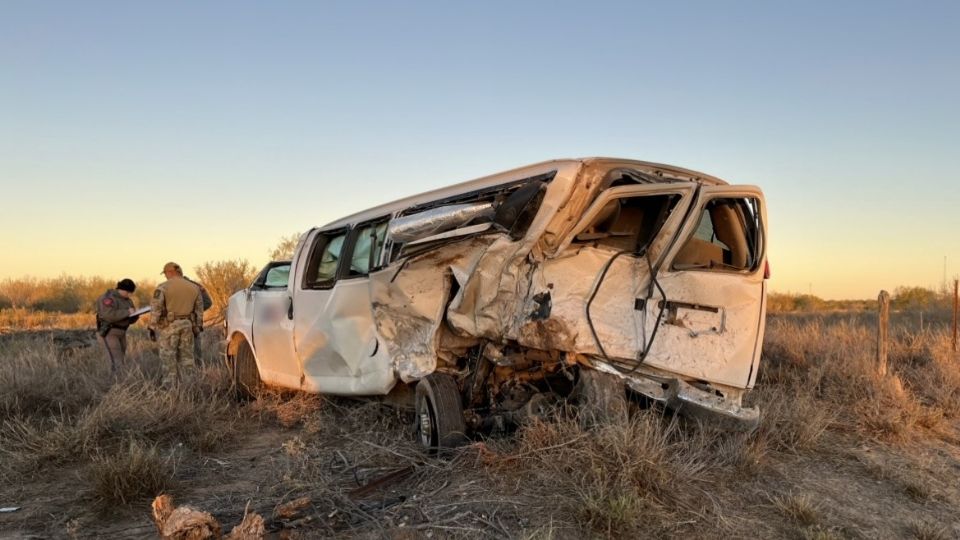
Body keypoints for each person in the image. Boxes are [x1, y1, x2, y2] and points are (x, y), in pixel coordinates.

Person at [149, 262, 203, 387]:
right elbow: (199, 310)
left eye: (165, 274)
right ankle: (189, 386)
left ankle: (170, 388)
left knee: (168, 358)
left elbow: (156, 308)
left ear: (170, 272)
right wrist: (198, 326)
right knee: (187, 359)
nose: (165, 276)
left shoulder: (163, 287)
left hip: (169, 326)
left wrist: (152, 326)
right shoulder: (194, 287)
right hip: (188, 325)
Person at [94, 278, 139, 374]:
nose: (130, 295)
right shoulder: (107, 298)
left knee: (121, 359)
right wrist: (127, 312)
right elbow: (108, 315)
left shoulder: (128, 300)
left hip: (122, 332)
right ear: (121, 289)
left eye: (131, 292)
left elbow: (131, 319)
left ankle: (120, 381)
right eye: (128, 292)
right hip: (109, 332)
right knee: (115, 360)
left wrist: (136, 314)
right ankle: (114, 384)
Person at [178, 269, 212, 365]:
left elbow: (207, 302)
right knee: (196, 355)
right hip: (193, 326)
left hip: (183, 326)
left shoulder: (173, 288)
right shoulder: (196, 286)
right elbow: (208, 303)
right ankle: (197, 375)